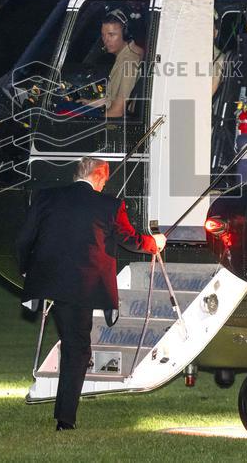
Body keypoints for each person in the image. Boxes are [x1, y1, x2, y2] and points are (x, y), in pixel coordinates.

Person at [15, 156, 166, 430]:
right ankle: (65, 419)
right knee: (77, 349)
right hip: (83, 287)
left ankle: (65, 416)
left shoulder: (45, 197)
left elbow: (25, 237)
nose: (104, 185)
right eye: (105, 180)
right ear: (98, 176)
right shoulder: (109, 205)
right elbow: (129, 239)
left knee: (73, 345)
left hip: (51, 283)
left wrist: (27, 271)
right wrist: (153, 242)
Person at [77, 9, 144, 118]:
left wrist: (89, 123)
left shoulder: (129, 62)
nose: (106, 40)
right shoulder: (124, 56)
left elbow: (117, 111)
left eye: (111, 35)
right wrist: (89, 103)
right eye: (103, 35)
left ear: (125, 34)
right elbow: (113, 99)